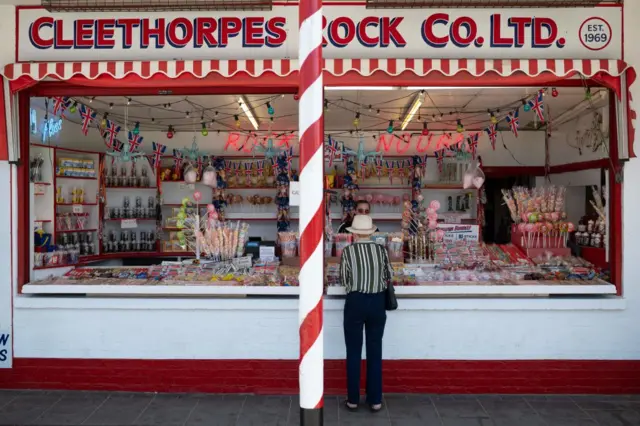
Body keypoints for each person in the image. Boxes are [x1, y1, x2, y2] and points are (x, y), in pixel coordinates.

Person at [339, 214, 392, 413]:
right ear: (371, 232)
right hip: (377, 302)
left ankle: (353, 400)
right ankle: (375, 400)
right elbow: (388, 275)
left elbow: (344, 280)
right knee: (375, 351)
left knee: (353, 352)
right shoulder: (381, 251)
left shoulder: (348, 251)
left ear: (354, 233)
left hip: (355, 302)